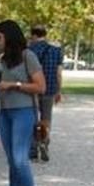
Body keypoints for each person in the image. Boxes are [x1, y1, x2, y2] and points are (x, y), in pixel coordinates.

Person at [0, 20, 46, 186]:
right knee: (12, 160)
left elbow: (41, 86)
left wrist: (14, 85)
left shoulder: (28, 56)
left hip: (24, 111)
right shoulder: (3, 60)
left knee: (21, 159)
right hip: (5, 111)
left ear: (9, 37)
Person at [28, 25, 63, 161]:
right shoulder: (56, 50)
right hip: (49, 88)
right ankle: (44, 142)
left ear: (34, 35)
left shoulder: (28, 51)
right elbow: (58, 73)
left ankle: (33, 147)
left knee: (33, 118)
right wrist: (59, 90)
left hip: (33, 88)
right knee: (46, 118)